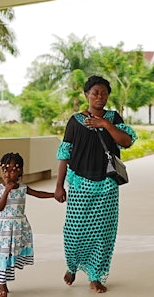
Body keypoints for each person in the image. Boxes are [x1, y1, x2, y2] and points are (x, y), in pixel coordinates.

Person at [55, 75, 137, 293]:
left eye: (103, 93)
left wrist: (105, 124)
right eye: (95, 93)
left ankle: (95, 276)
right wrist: (59, 185)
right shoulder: (75, 121)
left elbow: (126, 141)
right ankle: (72, 266)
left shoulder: (113, 118)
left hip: (107, 184)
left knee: (103, 234)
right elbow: (65, 154)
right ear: (86, 95)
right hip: (80, 183)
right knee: (74, 231)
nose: (100, 96)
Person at [0, 152, 54, 297]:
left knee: (9, 257)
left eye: (12, 171)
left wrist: (54, 195)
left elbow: (38, 193)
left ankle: (5, 284)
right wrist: (7, 191)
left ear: (19, 171)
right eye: (4, 170)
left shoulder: (23, 188)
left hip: (17, 229)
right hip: (2, 230)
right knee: (1, 256)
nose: (7, 174)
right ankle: (2, 288)